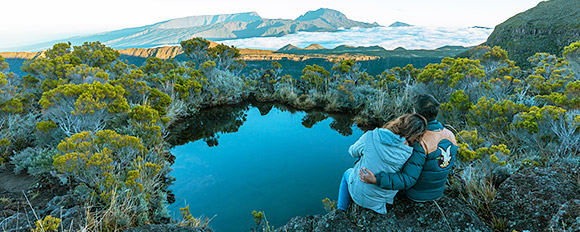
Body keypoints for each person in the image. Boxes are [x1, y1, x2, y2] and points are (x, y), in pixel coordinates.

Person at [359, 94, 458, 202]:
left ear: (416, 114)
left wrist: (376, 179)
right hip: (437, 192)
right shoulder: (451, 135)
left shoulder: (419, 140)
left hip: (417, 194)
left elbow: (407, 179)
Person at [337, 113, 427, 214]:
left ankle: (341, 210)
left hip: (358, 194)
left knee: (347, 173)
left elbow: (352, 151)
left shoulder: (371, 136)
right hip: (380, 202)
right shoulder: (409, 152)